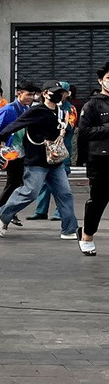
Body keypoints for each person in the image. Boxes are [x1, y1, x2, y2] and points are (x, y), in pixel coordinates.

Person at [0, 81, 79, 242]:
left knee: (65, 193)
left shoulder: (60, 111)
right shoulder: (36, 110)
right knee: (30, 192)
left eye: (60, 92)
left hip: (54, 160)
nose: (57, 94)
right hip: (37, 160)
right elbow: (18, 124)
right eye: (53, 91)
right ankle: (4, 214)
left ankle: (69, 229)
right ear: (45, 93)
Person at [0, 82, 38, 226]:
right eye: (28, 94)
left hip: (22, 152)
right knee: (14, 183)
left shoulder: (26, 109)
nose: (30, 98)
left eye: (32, 95)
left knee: (17, 183)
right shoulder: (8, 110)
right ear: (19, 94)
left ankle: (7, 212)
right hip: (10, 152)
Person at [28, 81, 77, 221]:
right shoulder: (46, 108)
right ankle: (41, 211)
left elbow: (69, 127)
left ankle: (58, 213)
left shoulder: (69, 109)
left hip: (62, 150)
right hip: (46, 150)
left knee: (61, 186)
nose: (57, 95)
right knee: (43, 183)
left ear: (67, 94)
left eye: (61, 92)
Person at [77, 61, 109, 256]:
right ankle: (87, 235)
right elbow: (84, 132)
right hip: (100, 161)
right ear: (101, 81)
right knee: (98, 201)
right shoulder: (92, 105)